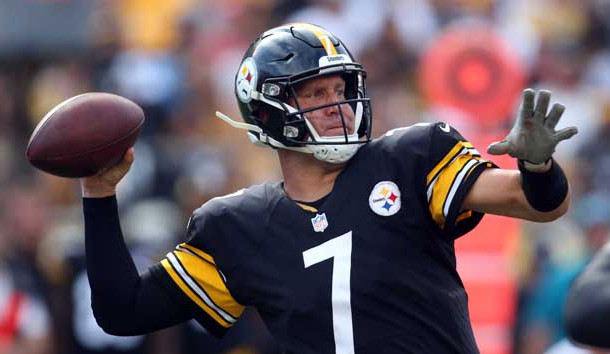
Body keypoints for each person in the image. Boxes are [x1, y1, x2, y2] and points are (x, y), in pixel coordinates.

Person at [80, 23, 577, 354]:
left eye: (341, 90)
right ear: (269, 109)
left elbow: (536, 203)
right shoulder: (237, 226)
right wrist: (99, 194)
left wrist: (538, 166)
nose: (338, 106)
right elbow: (124, 311)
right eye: (317, 93)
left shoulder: (407, 159)